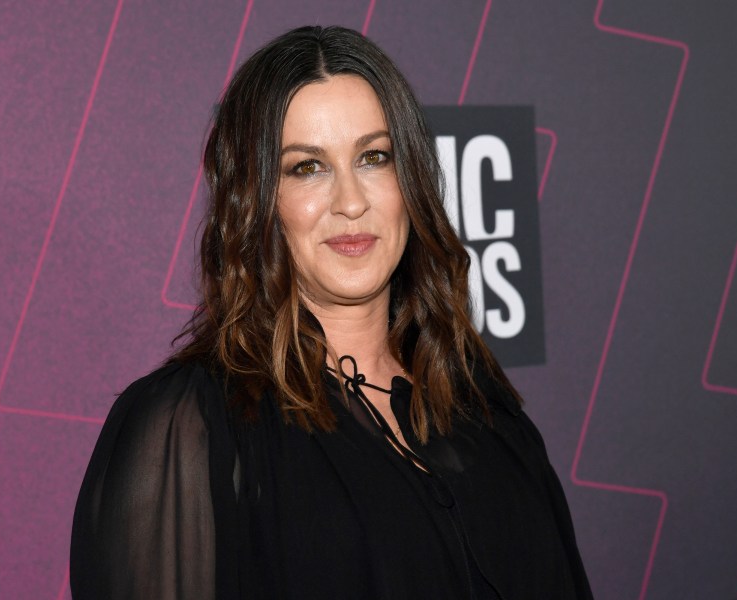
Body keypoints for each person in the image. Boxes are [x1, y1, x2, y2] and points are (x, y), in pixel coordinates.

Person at [70, 25, 593, 600]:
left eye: (374, 158)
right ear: (257, 199)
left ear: (411, 181)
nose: (351, 201)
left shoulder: (478, 398)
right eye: (307, 167)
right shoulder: (187, 426)